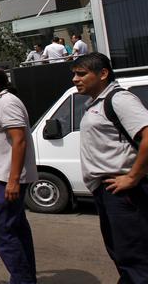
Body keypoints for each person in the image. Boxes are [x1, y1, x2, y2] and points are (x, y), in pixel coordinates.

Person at [71, 53, 148, 282]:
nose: (75, 79)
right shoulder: (95, 103)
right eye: (74, 74)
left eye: (81, 74)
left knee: (134, 258)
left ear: (103, 74)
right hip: (106, 191)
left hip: (123, 192)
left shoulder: (119, 99)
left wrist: (132, 178)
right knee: (121, 254)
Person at [0, 68, 38, 284]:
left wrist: (13, 180)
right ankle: (26, 277)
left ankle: (23, 280)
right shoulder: (1, 103)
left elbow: (19, 140)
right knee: (16, 228)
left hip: (8, 180)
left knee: (2, 231)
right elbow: (2, 144)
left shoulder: (7, 103)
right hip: (1, 177)